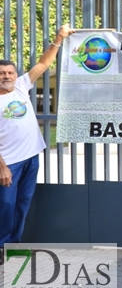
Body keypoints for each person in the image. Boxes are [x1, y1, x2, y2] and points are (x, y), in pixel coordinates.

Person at [0, 25, 74, 262]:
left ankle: (13, 244)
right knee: (5, 205)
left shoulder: (21, 86)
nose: (7, 76)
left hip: (31, 157)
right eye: (2, 73)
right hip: (7, 162)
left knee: (22, 203)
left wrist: (59, 38)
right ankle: (1, 245)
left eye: (10, 73)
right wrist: (1, 167)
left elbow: (43, 64)